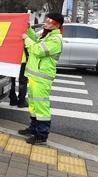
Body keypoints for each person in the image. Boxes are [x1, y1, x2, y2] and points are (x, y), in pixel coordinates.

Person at [19, 12, 64, 145]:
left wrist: (26, 39)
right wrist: (28, 29)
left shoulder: (55, 39)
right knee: (33, 105)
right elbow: (34, 38)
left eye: (51, 22)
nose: (47, 23)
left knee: (41, 106)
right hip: (34, 76)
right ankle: (34, 128)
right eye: (48, 20)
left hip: (42, 78)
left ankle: (42, 135)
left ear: (57, 26)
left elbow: (38, 50)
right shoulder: (46, 35)